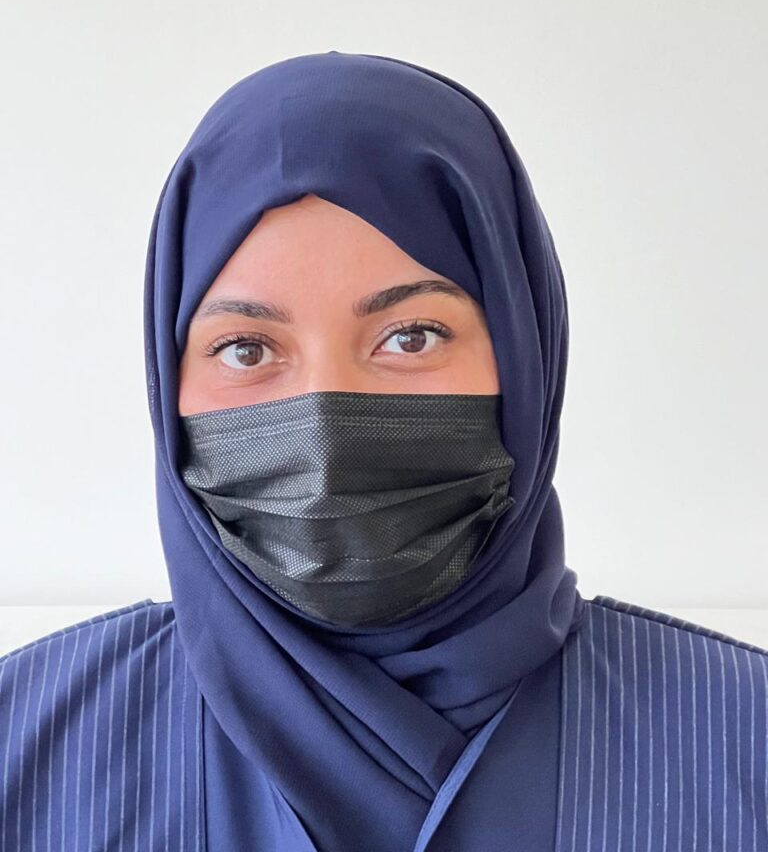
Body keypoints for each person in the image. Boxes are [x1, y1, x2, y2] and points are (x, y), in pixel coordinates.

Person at [1, 50, 766, 851]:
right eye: (247, 349)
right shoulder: (24, 747)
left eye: (412, 336)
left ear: (526, 361)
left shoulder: (743, 742)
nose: (326, 433)